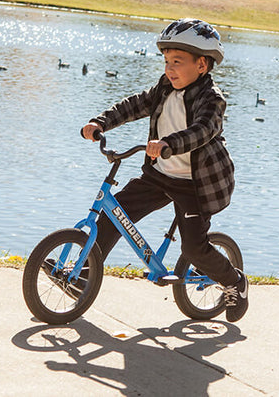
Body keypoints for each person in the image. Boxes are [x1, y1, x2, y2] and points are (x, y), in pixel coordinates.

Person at [81, 17, 248, 322]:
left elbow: (203, 130)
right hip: (159, 176)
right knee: (112, 218)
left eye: (178, 62)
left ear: (202, 65)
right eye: (167, 61)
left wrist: (169, 143)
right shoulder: (163, 87)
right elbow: (134, 105)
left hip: (195, 185)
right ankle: (82, 277)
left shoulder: (212, 99)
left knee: (194, 249)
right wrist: (101, 122)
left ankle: (234, 282)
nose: (169, 69)